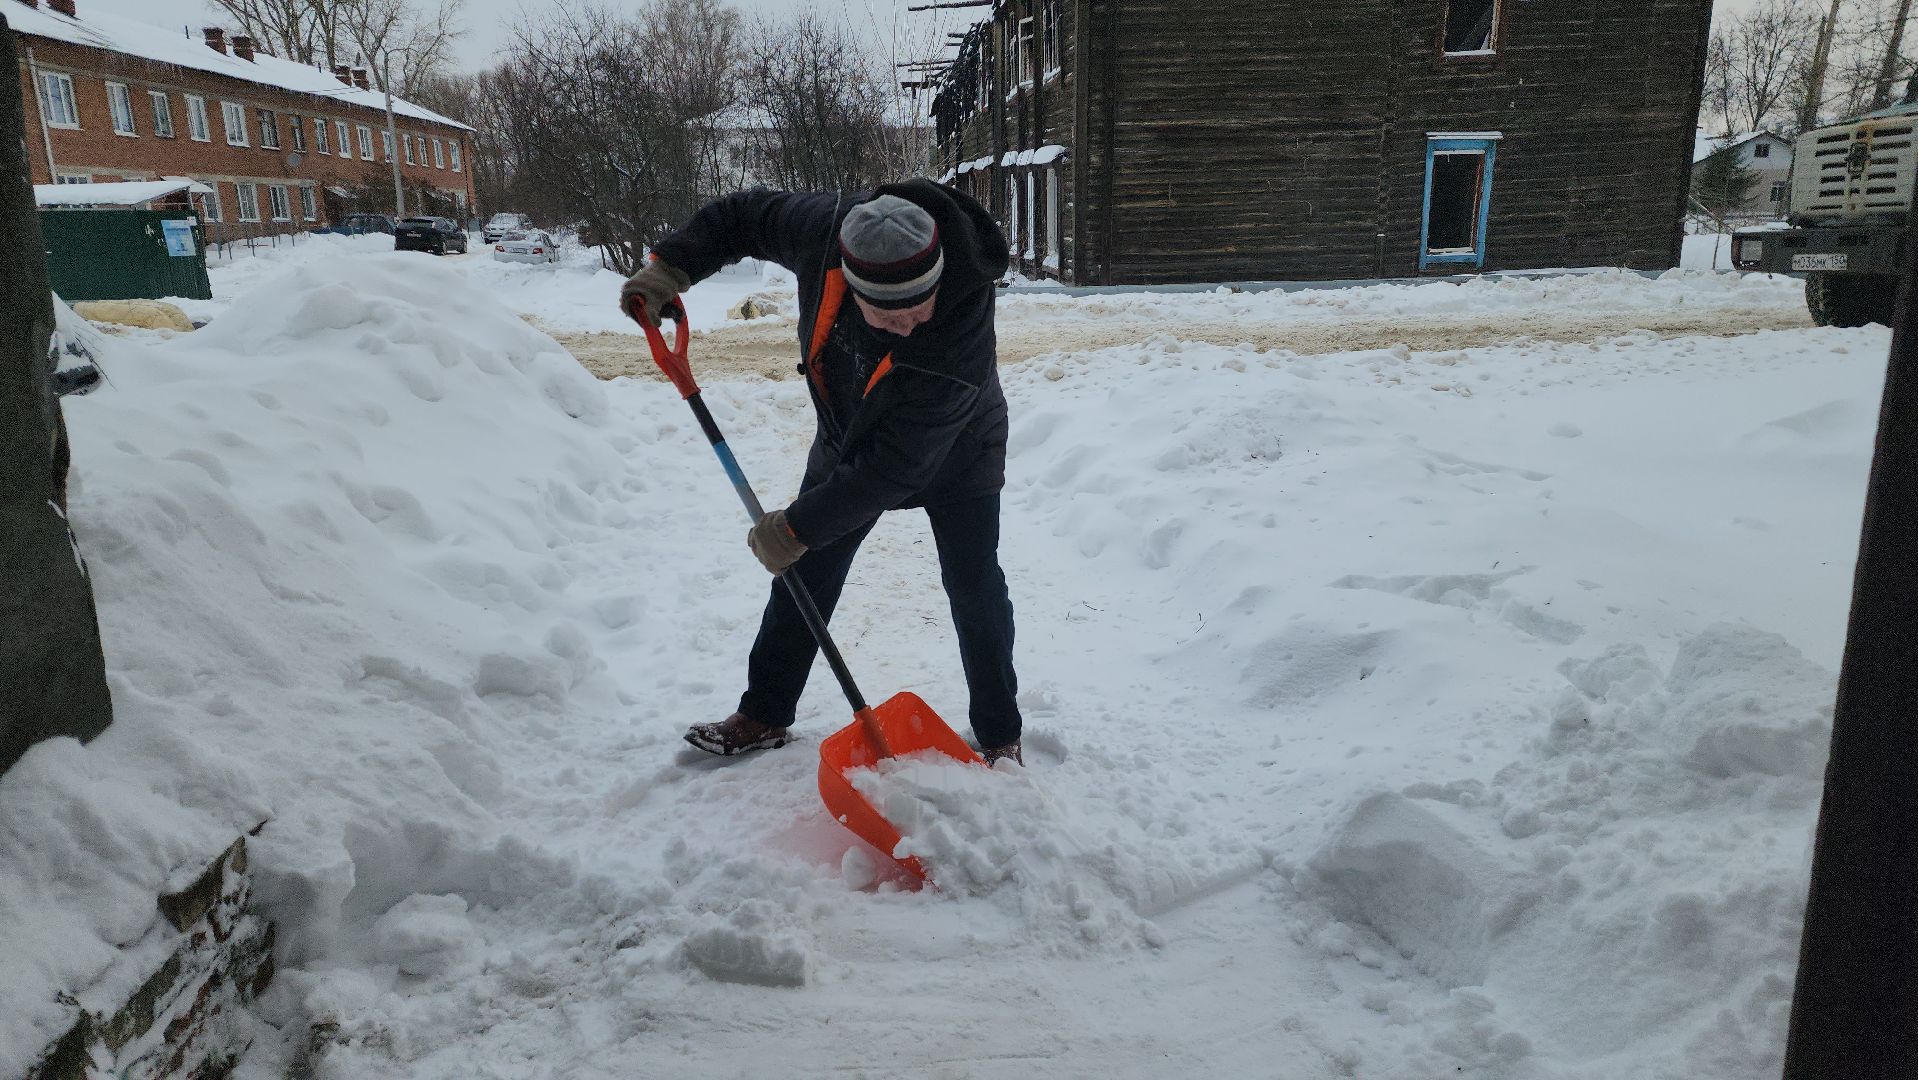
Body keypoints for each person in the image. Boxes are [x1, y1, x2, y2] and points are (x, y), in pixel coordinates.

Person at [621, 181, 1025, 766]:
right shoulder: (822, 229)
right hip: (848, 428)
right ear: (849, 279)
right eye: (888, 315)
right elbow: (743, 215)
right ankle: (763, 714)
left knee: (973, 583)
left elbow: (895, 466)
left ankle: (999, 733)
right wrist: (671, 267)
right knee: (807, 572)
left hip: (961, 446)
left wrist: (797, 525)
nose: (908, 326)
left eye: (919, 309)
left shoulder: (960, 322)